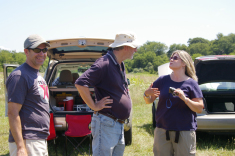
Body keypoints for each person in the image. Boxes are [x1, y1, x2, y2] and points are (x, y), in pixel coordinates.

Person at [75, 32, 138, 156]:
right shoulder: (104, 63)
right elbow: (80, 83)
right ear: (125, 47)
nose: (135, 50)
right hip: (106, 123)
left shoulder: (119, 63)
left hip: (117, 124)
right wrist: (94, 106)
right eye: (133, 47)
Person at [144, 50, 204, 156]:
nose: (171, 59)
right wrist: (146, 94)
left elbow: (199, 108)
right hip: (162, 130)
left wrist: (185, 99)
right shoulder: (162, 80)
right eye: (171, 57)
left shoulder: (191, 83)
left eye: (175, 58)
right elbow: (149, 101)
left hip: (184, 131)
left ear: (184, 63)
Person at [6, 34, 51, 156]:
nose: (42, 53)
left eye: (44, 50)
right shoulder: (20, 75)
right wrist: (21, 147)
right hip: (28, 140)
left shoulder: (37, 74)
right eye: (37, 50)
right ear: (26, 51)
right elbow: (12, 113)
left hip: (38, 139)